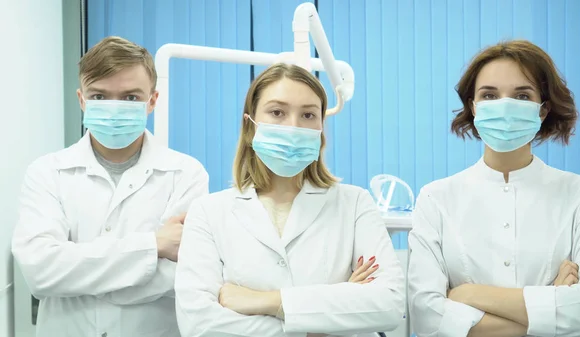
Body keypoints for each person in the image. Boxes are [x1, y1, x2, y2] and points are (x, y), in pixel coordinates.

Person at [174, 63, 405, 337]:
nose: (293, 127)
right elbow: (198, 324)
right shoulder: (209, 212)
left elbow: (389, 305)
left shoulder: (354, 204)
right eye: (277, 112)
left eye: (308, 115)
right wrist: (322, 324)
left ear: (321, 128)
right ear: (250, 125)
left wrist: (267, 301)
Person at [11, 36, 209, 337]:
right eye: (100, 97)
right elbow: (41, 272)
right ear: (82, 100)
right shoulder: (47, 172)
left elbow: (180, 276)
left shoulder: (186, 174)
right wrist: (152, 246)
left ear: (152, 101)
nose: (114, 108)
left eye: (130, 97)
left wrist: (79, 276)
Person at [407, 39, 580, 337]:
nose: (505, 106)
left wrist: (468, 295)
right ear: (473, 106)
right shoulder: (436, 198)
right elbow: (426, 317)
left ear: (543, 109)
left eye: (522, 96)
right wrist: (550, 308)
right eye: (490, 95)